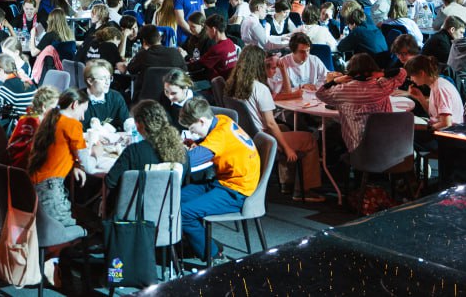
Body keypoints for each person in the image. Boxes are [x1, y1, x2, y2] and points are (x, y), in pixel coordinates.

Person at [225, 45, 323, 203]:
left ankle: (287, 182)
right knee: (309, 139)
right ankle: (304, 189)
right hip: (263, 139)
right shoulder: (260, 89)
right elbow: (270, 124)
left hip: (243, 136)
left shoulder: (231, 85)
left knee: (284, 128)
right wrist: (287, 148)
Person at [176, 98, 261, 262]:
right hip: (223, 182)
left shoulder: (218, 137)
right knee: (174, 198)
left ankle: (215, 255)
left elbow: (188, 161)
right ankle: (196, 242)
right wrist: (195, 142)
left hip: (236, 191)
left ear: (201, 121)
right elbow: (210, 143)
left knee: (185, 213)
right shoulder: (222, 119)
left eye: (192, 129)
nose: (192, 133)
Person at [315, 53, 408, 151]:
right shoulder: (383, 86)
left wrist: (335, 81)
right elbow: (402, 72)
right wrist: (382, 73)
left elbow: (320, 93)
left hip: (358, 147)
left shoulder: (342, 90)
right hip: (386, 145)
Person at [26, 89, 90, 230]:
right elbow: (87, 164)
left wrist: (76, 165)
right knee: (70, 227)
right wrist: (95, 153)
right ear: (74, 105)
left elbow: (59, 151)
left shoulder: (50, 119)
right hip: (50, 188)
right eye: (83, 111)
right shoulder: (72, 124)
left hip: (35, 185)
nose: (82, 117)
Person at [103, 99, 187, 201]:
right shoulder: (182, 151)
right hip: (169, 208)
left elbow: (110, 182)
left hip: (136, 208)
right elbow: (185, 184)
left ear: (140, 125)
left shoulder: (134, 151)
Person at [403, 55, 464, 130]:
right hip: (442, 128)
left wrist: (426, 129)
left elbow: (446, 123)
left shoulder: (440, 89)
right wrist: (420, 98)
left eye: (412, 76)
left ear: (421, 73)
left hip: (448, 132)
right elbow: (434, 115)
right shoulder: (436, 84)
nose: (411, 79)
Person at [6, 85, 59, 166]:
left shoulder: (32, 116)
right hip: (20, 164)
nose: (56, 111)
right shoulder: (32, 122)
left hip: (22, 160)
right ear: (44, 107)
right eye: (54, 108)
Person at [189, 14, 239, 80]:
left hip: (221, 83)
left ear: (213, 30)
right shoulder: (231, 43)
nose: (206, 32)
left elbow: (197, 65)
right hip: (229, 80)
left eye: (207, 29)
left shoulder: (217, 49)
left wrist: (187, 58)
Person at [82, 59, 129, 129]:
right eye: (102, 78)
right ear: (90, 81)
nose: (107, 82)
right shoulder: (79, 100)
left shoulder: (116, 98)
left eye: (109, 78)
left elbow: (126, 123)